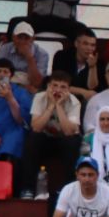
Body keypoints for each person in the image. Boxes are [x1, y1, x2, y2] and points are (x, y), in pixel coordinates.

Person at [20, 69, 84, 198]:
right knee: (33, 138)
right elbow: (36, 127)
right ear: (48, 86)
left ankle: (68, 189)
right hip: (45, 140)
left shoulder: (74, 102)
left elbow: (68, 132)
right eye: (54, 85)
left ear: (68, 90)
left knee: (72, 142)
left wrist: (59, 106)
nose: (58, 90)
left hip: (64, 141)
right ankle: (28, 188)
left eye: (63, 87)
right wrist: (50, 106)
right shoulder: (40, 97)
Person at [53, 31, 105, 104]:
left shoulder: (99, 63)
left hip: (85, 101)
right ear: (76, 44)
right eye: (85, 44)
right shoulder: (62, 56)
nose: (89, 48)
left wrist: (92, 67)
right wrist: (83, 92)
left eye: (92, 45)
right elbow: (56, 83)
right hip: (62, 95)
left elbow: (92, 89)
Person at [0, 22, 46, 91]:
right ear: (13, 37)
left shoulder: (42, 54)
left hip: (29, 90)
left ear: (33, 39)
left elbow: (37, 83)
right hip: (7, 85)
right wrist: (15, 87)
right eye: (19, 37)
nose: (22, 41)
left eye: (26, 38)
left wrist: (29, 58)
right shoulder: (4, 49)